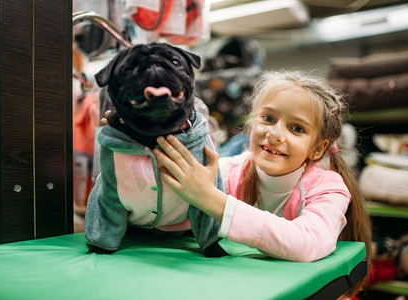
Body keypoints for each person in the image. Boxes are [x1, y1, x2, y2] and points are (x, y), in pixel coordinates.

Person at [153, 69, 372, 296]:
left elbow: (307, 242)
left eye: (297, 128)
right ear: (252, 122)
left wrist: (211, 200)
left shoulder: (328, 189)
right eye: (268, 119)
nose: (275, 134)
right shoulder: (229, 171)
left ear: (318, 149)